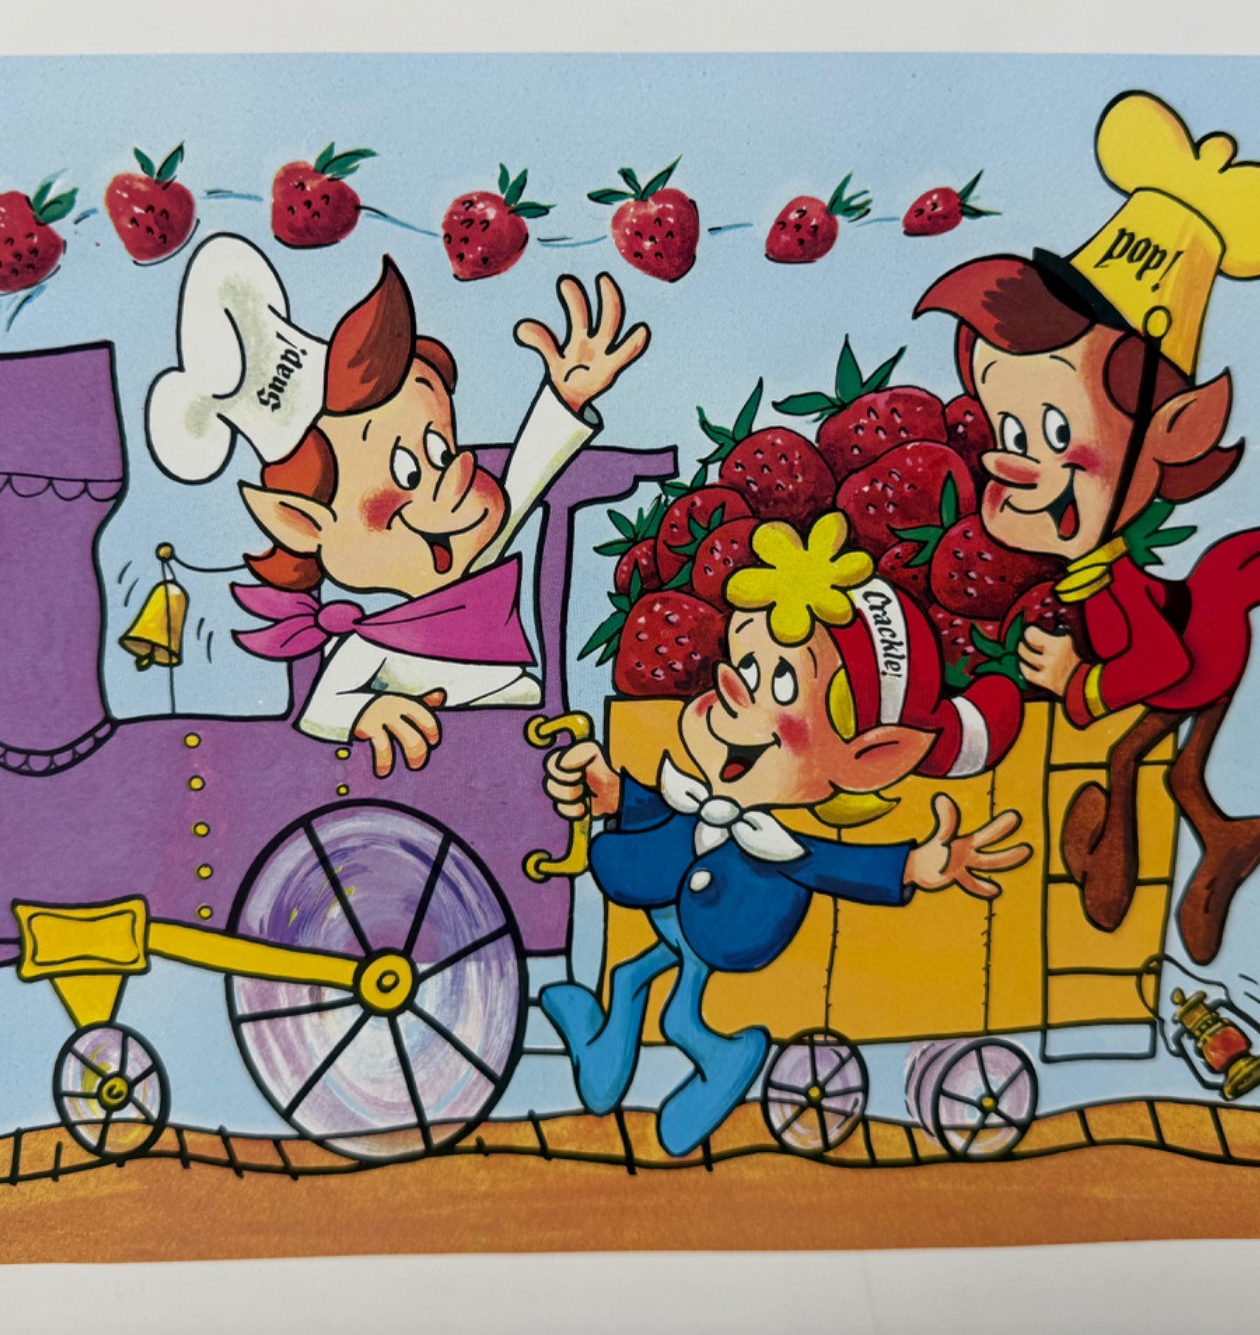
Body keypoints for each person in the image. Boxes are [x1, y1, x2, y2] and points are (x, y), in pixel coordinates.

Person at [914, 90, 1260, 964]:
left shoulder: (1107, 582)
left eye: (1052, 431)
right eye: (1006, 428)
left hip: (1197, 657)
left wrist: (1078, 680)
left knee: (1128, 761)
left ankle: (1137, 871)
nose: (1010, 458)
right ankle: (1214, 842)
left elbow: (1160, 663)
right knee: (1168, 767)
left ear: (1177, 435)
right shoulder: (1086, 575)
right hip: (1198, 643)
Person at [539, 513, 1028, 1155]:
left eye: (783, 682)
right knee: (631, 977)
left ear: (870, 758)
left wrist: (913, 865)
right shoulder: (707, 787)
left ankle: (725, 1058)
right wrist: (613, 789)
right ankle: (600, 1067)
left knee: (679, 1011)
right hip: (678, 904)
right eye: (744, 664)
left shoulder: (780, 842)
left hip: (729, 919)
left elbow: (831, 863)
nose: (732, 689)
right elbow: (676, 809)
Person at [146, 234, 649, 774]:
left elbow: (521, 485)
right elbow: (323, 710)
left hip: (526, 755)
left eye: (442, 449)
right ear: (304, 525)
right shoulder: (373, 645)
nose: (454, 474)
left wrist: (565, 399)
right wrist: (368, 711)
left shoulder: (472, 566)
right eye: (408, 474)